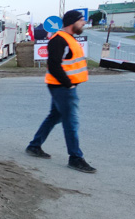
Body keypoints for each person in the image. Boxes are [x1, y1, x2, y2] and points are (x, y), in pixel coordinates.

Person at [26, 10, 96, 173]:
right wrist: (68, 84)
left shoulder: (68, 39)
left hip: (62, 85)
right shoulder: (59, 40)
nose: (83, 23)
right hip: (62, 87)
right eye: (81, 21)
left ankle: (34, 146)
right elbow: (54, 65)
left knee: (54, 117)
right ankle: (75, 158)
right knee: (71, 122)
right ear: (72, 22)